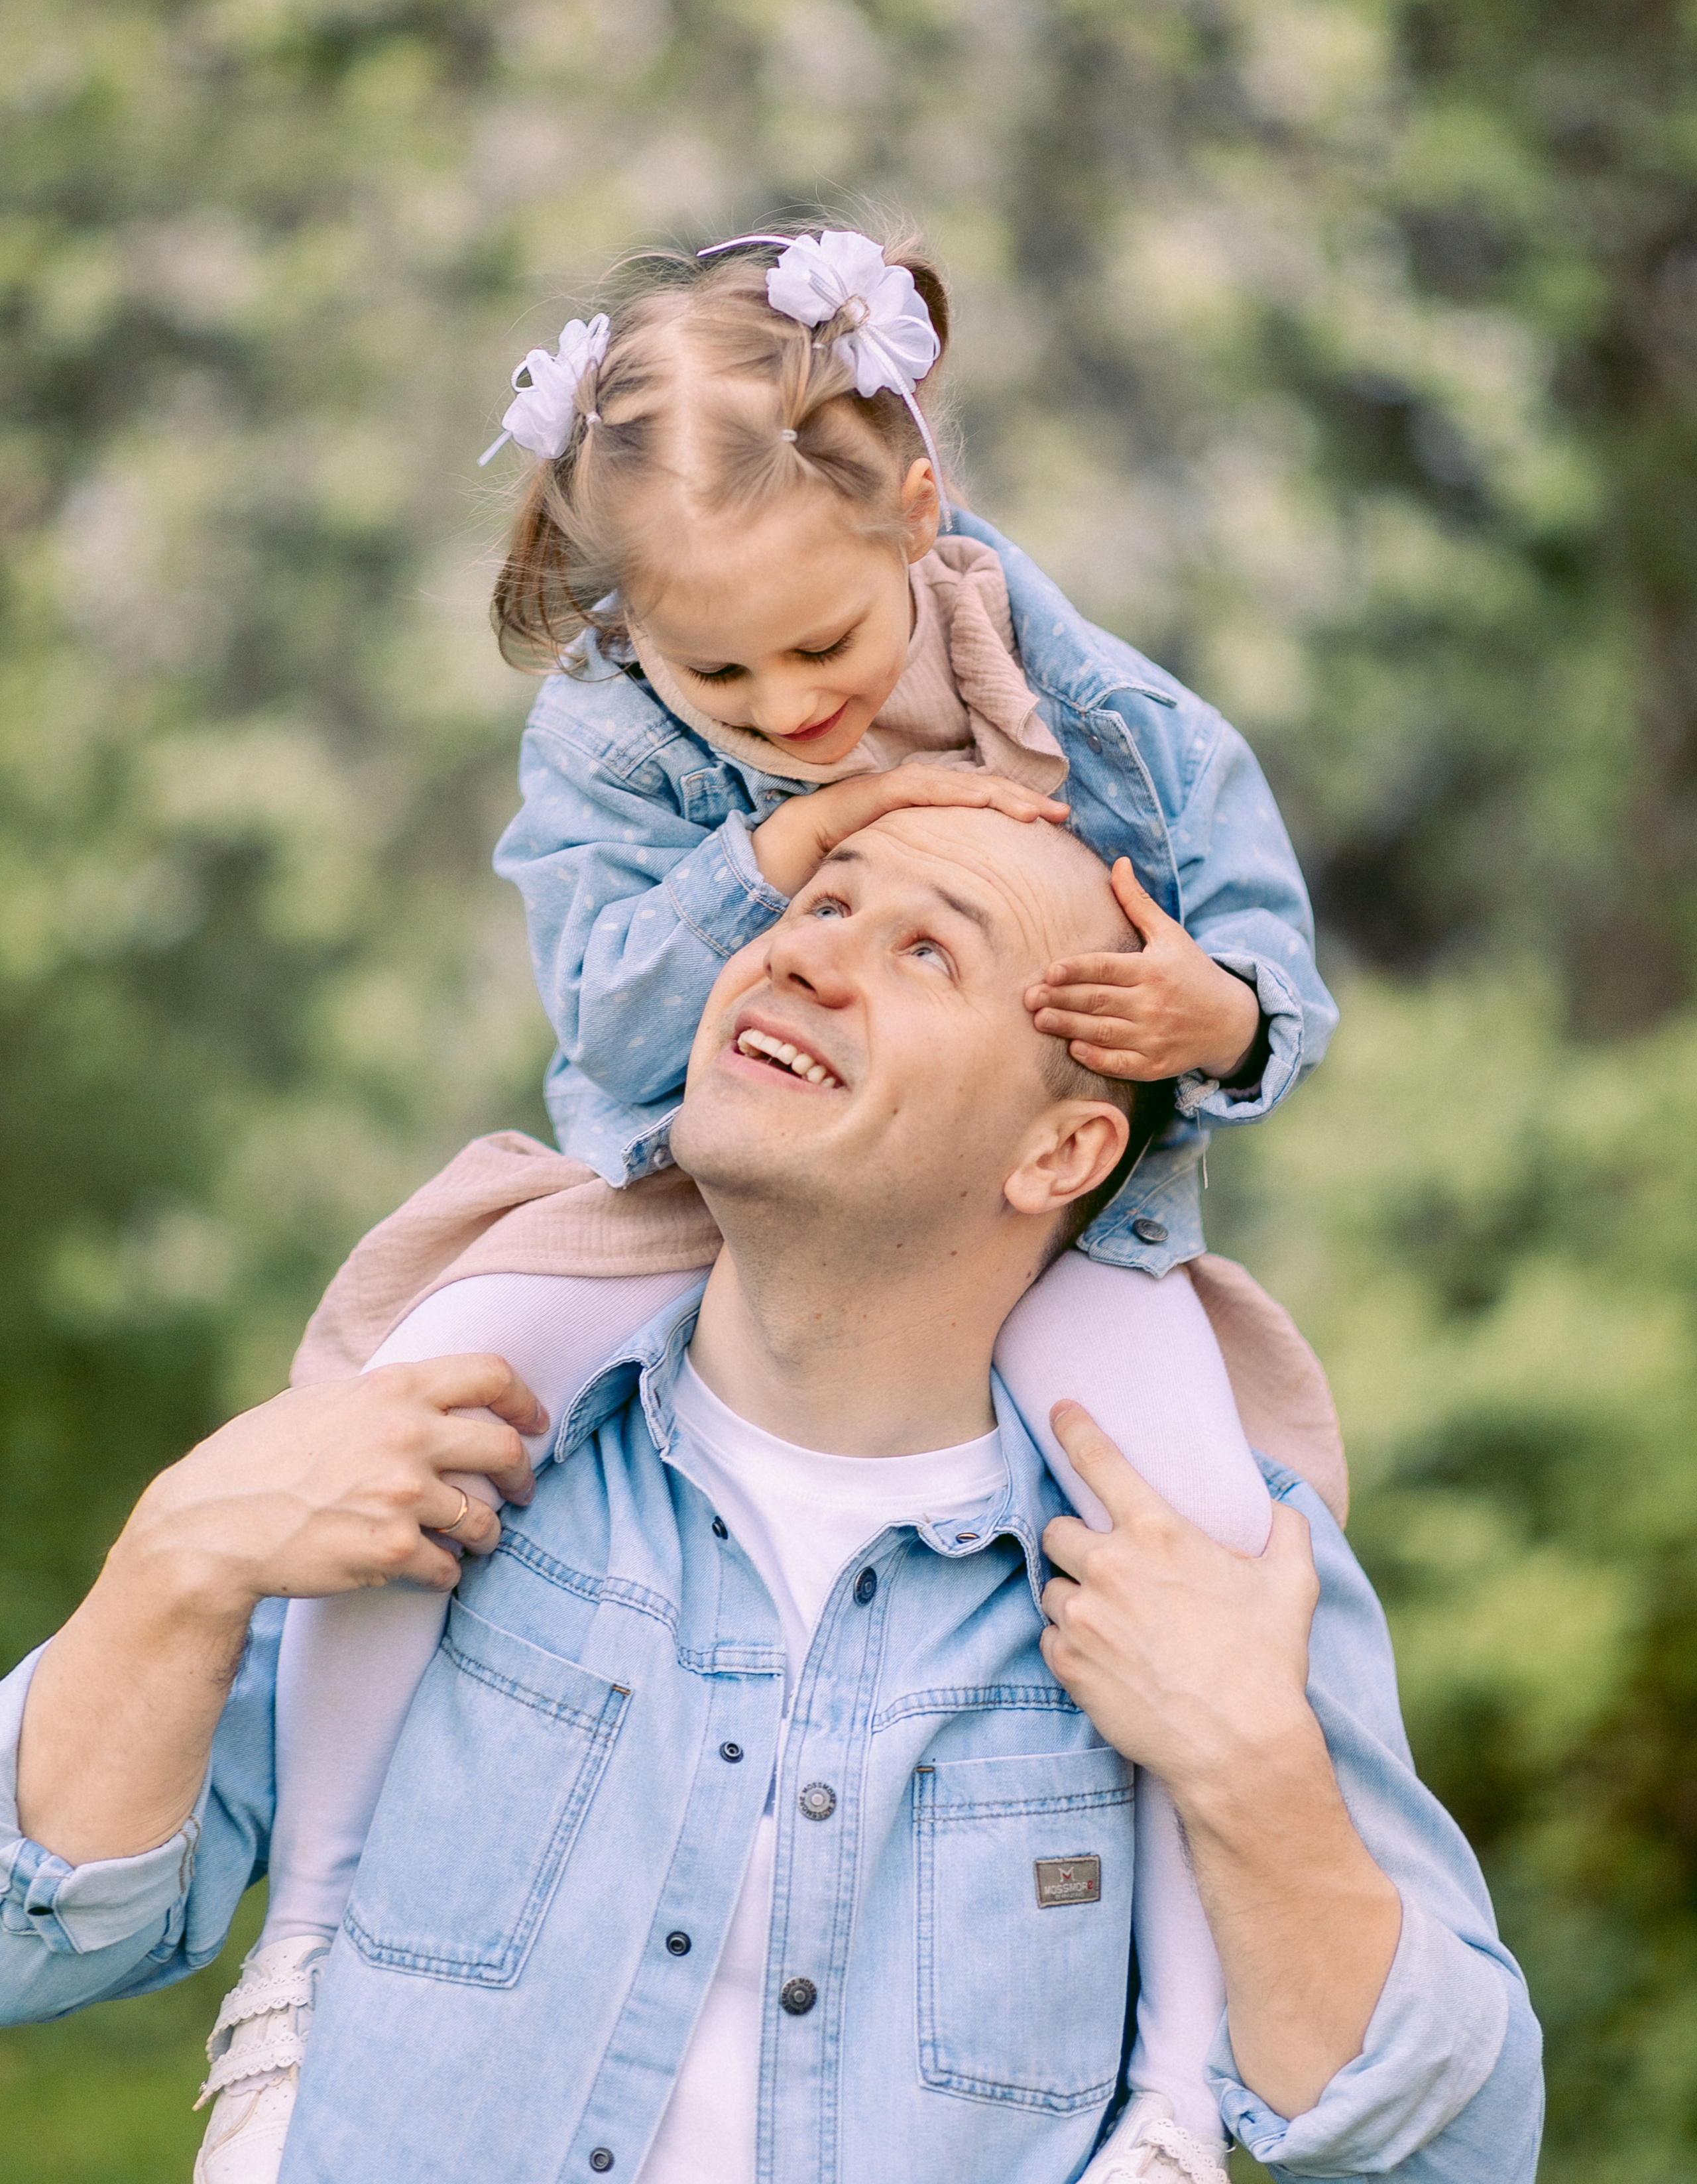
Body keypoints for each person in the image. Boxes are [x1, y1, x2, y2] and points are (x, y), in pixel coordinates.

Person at [211, 222, 1340, 2179]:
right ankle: (305, 1941)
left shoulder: (1069, 679)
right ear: (623, 620)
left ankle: (1170, 2102)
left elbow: (1260, 935)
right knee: (426, 1398)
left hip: (1050, 1216)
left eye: (825, 647)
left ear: (917, 509)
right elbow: (608, 1010)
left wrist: (1214, 1013)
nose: (787, 701)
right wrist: (793, 846)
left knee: (1206, 1546)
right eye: (714, 668)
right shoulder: (602, 732)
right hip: (683, 1172)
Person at [2, 809, 1539, 2182]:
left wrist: (1253, 1773)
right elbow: (36, 1943)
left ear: (1060, 1148)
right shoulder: (450, 1452)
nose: (804, 956)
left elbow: (1454, 2152)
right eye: (820, 905)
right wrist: (173, 1563)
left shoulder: (1201, 1570)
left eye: (928, 951)